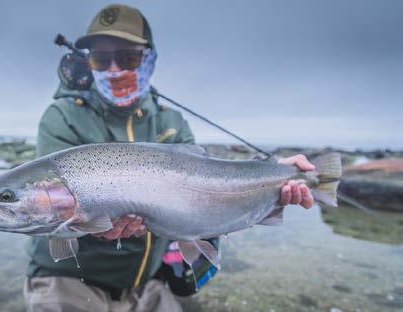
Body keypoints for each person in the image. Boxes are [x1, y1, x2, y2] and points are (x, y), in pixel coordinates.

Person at [24, 4, 315, 312]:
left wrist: (274, 176)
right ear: (88, 62)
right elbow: (53, 217)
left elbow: (211, 185)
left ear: (149, 59)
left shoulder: (171, 121)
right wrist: (94, 227)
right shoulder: (62, 116)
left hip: (146, 282)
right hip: (68, 279)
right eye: (101, 58)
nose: (113, 69)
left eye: (127, 57)